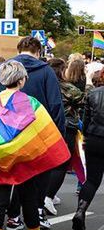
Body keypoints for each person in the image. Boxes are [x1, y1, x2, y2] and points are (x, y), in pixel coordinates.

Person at [0, 60, 60, 230]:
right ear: (21, 80)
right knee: (28, 197)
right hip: (23, 156)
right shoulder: (29, 102)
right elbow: (42, 129)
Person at [0, 36, 65, 230]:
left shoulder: (1, 68)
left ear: (18, 49)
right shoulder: (46, 71)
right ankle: (36, 220)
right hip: (34, 135)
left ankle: (10, 220)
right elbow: (55, 105)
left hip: (4, 135)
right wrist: (58, 135)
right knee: (33, 179)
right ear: (38, 51)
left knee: (4, 183)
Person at [44, 59, 84, 216]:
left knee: (47, 162)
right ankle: (48, 196)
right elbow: (85, 101)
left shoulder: (45, 86)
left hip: (46, 127)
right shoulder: (69, 88)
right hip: (66, 127)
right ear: (62, 71)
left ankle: (46, 194)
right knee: (61, 164)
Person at [74, 70, 104, 230]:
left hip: (94, 138)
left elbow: (85, 118)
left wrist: (86, 137)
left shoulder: (93, 94)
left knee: (92, 180)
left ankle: (81, 211)